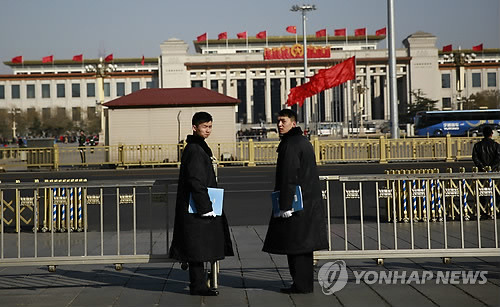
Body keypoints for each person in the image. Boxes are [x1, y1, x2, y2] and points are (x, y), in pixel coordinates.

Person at [262, 109, 328, 294]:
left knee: (295, 245)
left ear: (293, 123)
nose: (279, 124)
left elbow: (289, 177)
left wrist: (285, 205)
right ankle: (304, 284)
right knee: (304, 247)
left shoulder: (290, 144)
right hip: (307, 202)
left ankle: (299, 284)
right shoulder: (302, 141)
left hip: (296, 204)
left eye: (283, 121)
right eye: (278, 121)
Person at [169, 111, 234, 296]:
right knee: (197, 247)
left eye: (210, 126)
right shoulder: (196, 150)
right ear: (194, 127)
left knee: (198, 247)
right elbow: (196, 181)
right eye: (204, 126)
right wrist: (205, 208)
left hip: (196, 206)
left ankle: (199, 284)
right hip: (197, 208)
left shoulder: (197, 147)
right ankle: (198, 286)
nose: (208, 130)